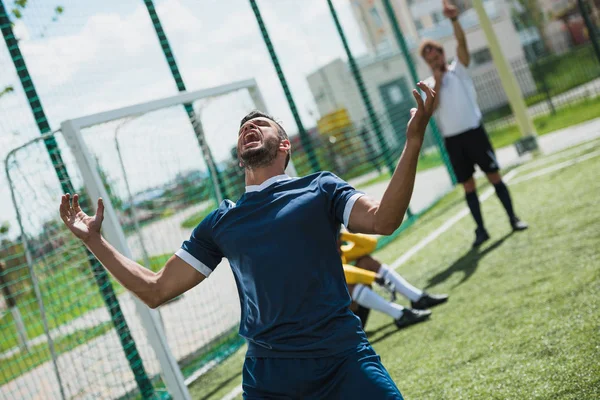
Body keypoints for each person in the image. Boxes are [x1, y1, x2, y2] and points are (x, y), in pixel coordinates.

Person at [59, 82, 436, 399]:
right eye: (244, 128)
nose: (249, 128)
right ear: (240, 156)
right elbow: (157, 290)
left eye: (260, 124)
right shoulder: (221, 221)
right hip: (272, 376)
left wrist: (414, 140)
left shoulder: (320, 188)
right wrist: (95, 241)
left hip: (343, 358)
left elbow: (385, 219)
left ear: (284, 145)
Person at [419, 0, 528, 248]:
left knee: (493, 176)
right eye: (428, 57)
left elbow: (463, 45)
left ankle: (513, 218)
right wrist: (436, 81)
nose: (433, 58)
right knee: (468, 186)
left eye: (434, 53)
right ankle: (481, 230)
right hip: (454, 141)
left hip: (474, 132)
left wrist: (454, 20)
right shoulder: (429, 84)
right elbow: (432, 110)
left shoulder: (460, 69)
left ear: (441, 53)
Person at [339, 231, 448, 330]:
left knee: (366, 261)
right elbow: (342, 272)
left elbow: (370, 244)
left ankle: (418, 299)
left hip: (354, 313)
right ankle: (400, 315)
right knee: (345, 285)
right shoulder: (323, 260)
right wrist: (374, 277)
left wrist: (342, 234)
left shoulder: (335, 250)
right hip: (339, 325)